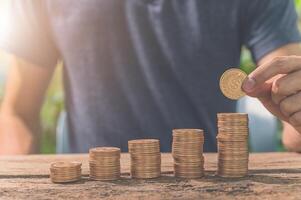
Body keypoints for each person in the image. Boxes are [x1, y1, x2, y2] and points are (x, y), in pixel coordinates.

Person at [0, 0, 301, 154]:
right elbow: (17, 113)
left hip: (206, 183)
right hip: (93, 186)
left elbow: (293, 117)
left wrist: (295, 108)